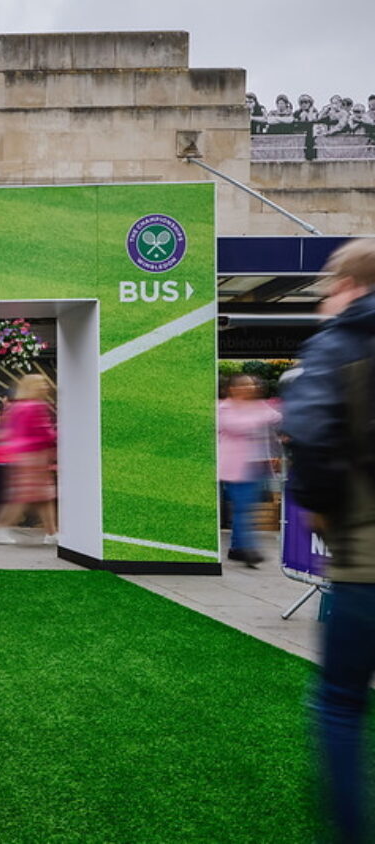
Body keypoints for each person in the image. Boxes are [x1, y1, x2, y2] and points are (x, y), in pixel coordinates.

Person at [282, 239, 375, 843]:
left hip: (366, 560)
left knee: (341, 703)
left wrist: (318, 507)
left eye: (325, 288)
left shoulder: (338, 344)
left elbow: (312, 437)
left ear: (346, 285)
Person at [218, 374, 282, 565]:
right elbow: (237, 427)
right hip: (236, 467)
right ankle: (248, 549)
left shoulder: (258, 406)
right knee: (243, 508)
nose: (250, 388)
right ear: (233, 389)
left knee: (246, 508)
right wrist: (259, 419)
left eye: (252, 384)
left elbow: (277, 417)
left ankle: (238, 548)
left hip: (256, 465)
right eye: (245, 385)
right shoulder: (224, 408)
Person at [0, 374, 58, 545]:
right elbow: (44, 432)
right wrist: (57, 434)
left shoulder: (17, 407)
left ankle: (51, 533)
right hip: (35, 457)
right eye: (41, 384)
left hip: (23, 455)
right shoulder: (36, 406)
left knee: (42, 496)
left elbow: (10, 431)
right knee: (23, 497)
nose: (46, 387)